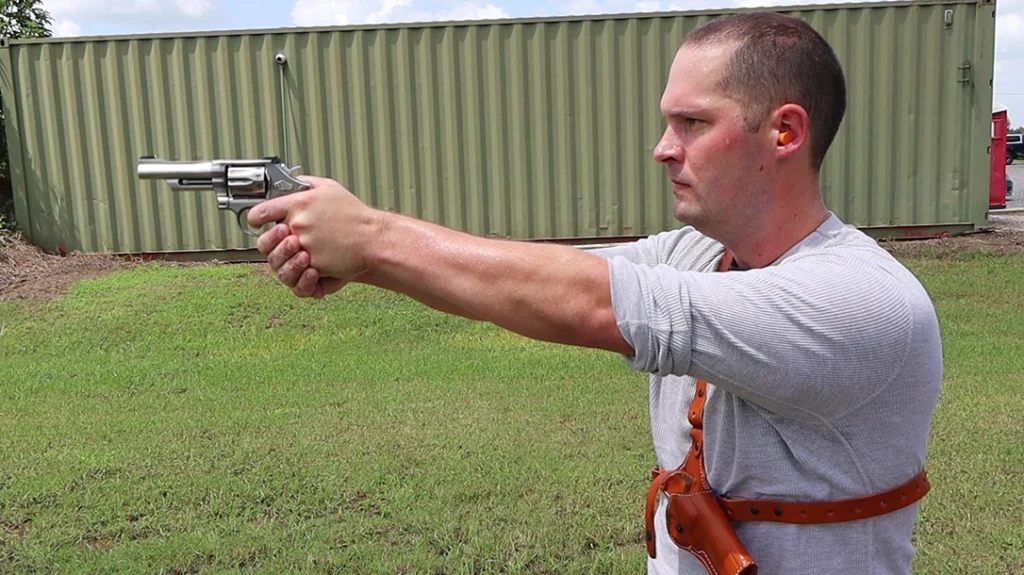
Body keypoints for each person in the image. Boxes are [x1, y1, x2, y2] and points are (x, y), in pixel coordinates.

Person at [246, 11, 943, 575]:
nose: (663, 148)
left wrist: (370, 236)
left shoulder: (862, 300)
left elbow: (592, 301)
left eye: (692, 123)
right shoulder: (702, 254)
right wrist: (361, 261)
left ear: (785, 131)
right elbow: (538, 280)